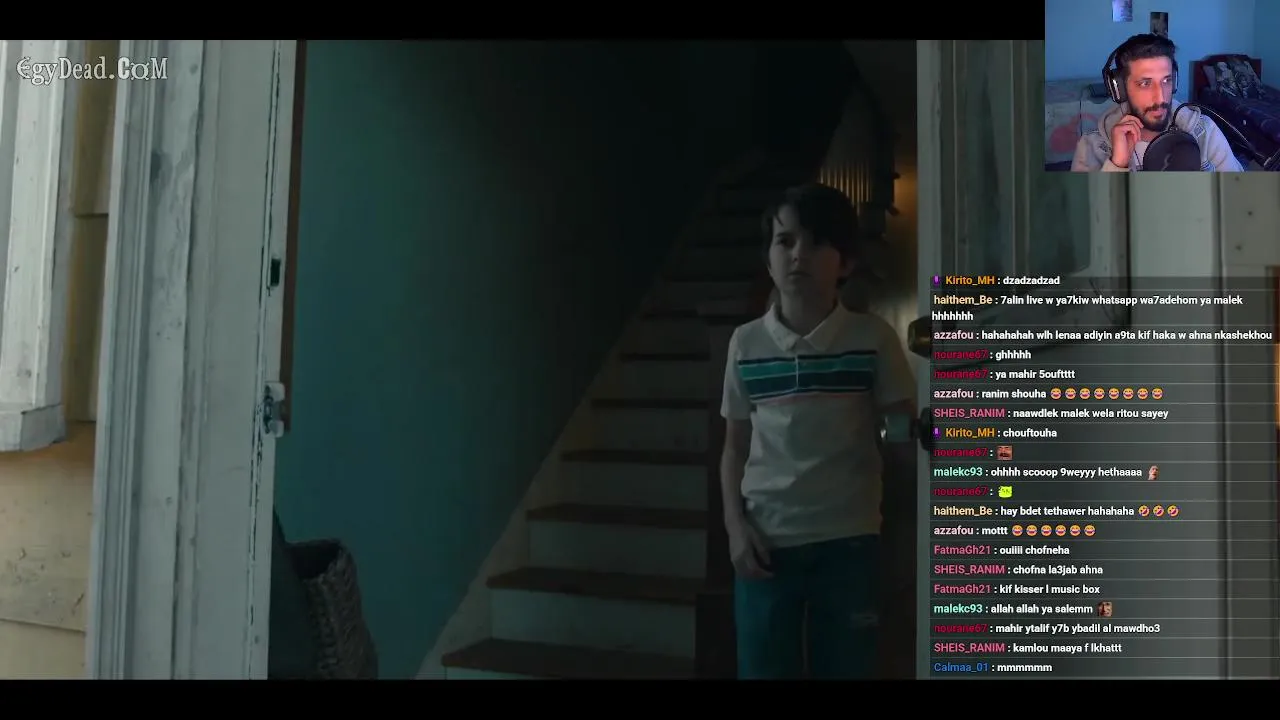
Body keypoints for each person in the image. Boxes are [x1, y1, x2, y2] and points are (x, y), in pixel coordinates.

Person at [719, 182, 917, 679]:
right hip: (766, 543)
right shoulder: (745, 343)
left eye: (816, 242)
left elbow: (900, 435)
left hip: (849, 540)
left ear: (845, 263)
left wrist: (907, 531)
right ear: (768, 260)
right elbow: (734, 447)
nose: (798, 254)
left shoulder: (873, 338)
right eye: (784, 241)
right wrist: (735, 529)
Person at [1072, 34, 1243, 172]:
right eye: (1145, 83)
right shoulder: (1091, 147)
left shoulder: (1205, 131)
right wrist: (1117, 165)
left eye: (1166, 80)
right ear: (1121, 89)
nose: (1160, 98)